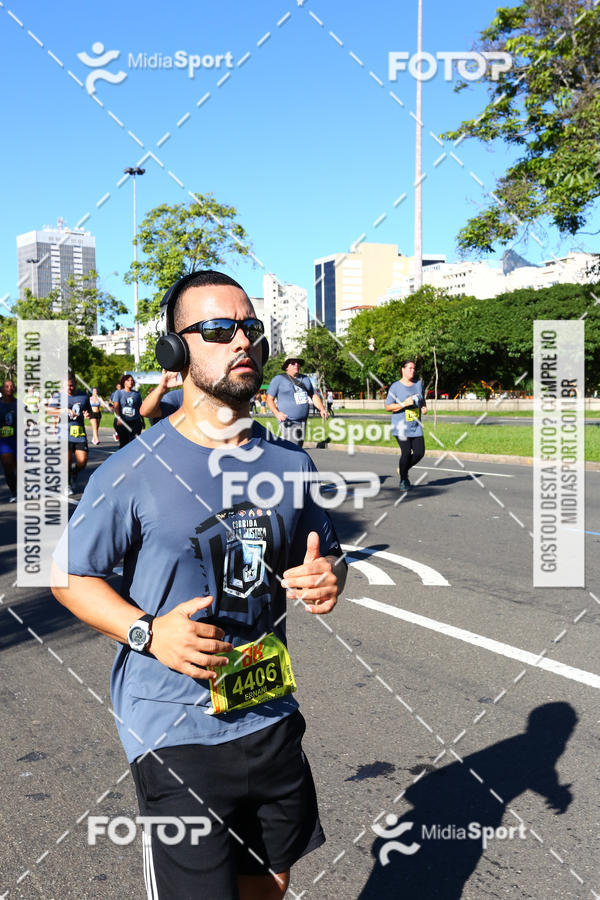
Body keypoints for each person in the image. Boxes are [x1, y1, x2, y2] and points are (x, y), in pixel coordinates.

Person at [51, 269, 347, 900]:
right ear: (176, 350)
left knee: (269, 887)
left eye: (250, 328)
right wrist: (147, 631)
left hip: (270, 712)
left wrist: (329, 578)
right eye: (217, 329)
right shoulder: (134, 469)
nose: (241, 341)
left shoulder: (290, 463)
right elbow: (69, 575)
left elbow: (327, 556)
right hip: (174, 729)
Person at [385, 359, 427, 491]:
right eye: (410, 368)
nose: (412, 371)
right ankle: (404, 480)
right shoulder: (395, 386)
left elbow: (421, 398)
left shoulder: (418, 384)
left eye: (414, 368)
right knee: (406, 453)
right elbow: (388, 406)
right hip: (400, 427)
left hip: (415, 425)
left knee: (420, 453)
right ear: (403, 369)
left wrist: (424, 407)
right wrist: (404, 404)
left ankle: (403, 469)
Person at [267, 358, 327, 447]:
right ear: (286, 366)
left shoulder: (305, 379)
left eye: (298, 363)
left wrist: (322, 409)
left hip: (303, 421)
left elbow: (313, 395)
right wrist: (277, 413)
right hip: (288, 421)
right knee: (293, 448)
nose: (296, 364)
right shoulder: (278, 379)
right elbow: (269, 399)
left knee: (298, 447)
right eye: (293, 363)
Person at [48, 373, 92, 495]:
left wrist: (88, 415)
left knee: (82, 461)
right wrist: (63, 410)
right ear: (63, 386)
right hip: (63, 434)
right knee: (66, 460)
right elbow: (49, 410)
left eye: (71, 385)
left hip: (79, 434)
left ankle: (74, 472)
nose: (69, 388)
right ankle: (66, 484)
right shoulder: (58, 396)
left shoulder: (83, 396)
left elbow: (89, 411)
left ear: (75, 384)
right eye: (67, 386)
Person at [112, 373, 144, 448]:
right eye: (128, 380)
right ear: (124, 382)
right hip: (122, 421)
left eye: (132, 380)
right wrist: (119, 418)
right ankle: (122, 458)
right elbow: (116, 406)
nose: (130, 382)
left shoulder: (137, 394)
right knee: (124, 443)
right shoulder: (119, 393)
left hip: (135, 421)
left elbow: (139, 408)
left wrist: (142, 421)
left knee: (135, 442)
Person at [0, 379, 17, 502]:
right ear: (2, 389)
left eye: (11, 386)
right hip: (4, 441)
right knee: (7, 466)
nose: (9, 388)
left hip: (18, 439)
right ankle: (14, 491)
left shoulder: (19, 404)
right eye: (6, 386)